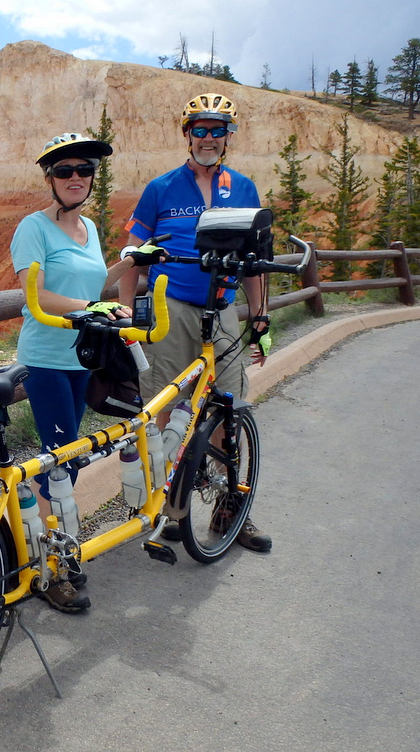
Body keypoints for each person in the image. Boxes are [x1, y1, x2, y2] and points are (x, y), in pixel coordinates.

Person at [11, 133, 166, 612]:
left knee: (67, 457)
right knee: (60, 458)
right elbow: (38, 299)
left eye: (82, 171)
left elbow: (93, 283)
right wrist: (92, 306)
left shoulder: (89, 228)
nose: (75, 178)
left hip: (83, 355)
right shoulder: (32, 228)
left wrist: (129, 264)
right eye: (64, 172)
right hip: (47, 358)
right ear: (49, 179)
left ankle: (35, 542)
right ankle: (45, 568)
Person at [118, 92, 273, 554]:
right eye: (200, 129)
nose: (208, 138)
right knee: (167, 408)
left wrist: (261, 314)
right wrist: (129, 313)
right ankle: (171, 511)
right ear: (187, 134)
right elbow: (132, 253)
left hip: (222, 310)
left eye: (217, 130)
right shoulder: (161, 188)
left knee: (227, 407)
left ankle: (232, 508)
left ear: (228, 137)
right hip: (171, 308)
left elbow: (255, 262)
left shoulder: (243, 188)